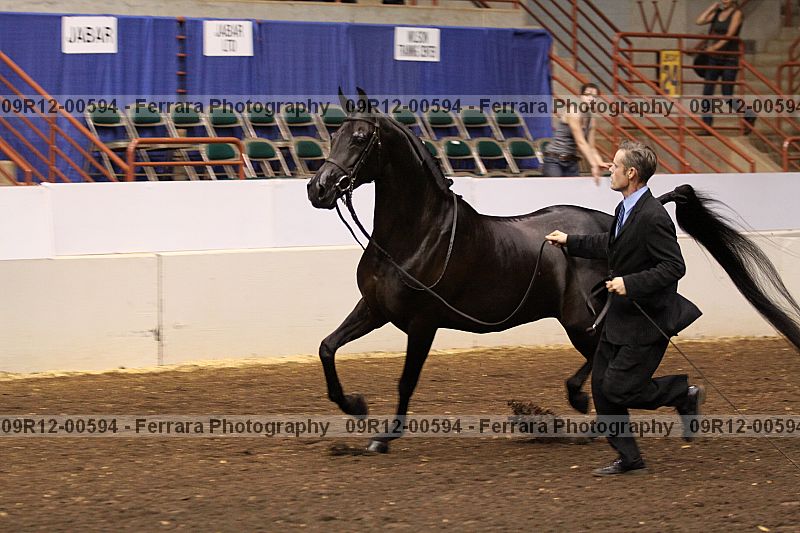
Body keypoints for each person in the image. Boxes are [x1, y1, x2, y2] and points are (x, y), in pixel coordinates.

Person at [545, 140, 705, 476]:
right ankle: (630, 458)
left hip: (647, 322)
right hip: (620, 317)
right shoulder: (625, 210)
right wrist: (570, 241)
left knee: (619, 389)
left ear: (631, 173)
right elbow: (610, 245)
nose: (610, 169)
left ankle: (682, 394)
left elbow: (674, 267)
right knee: (602, 390)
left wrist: (630, 283)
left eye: (615, 165)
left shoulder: (653, 217)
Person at [542, 83, 605, 183]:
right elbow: (580, 142)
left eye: (594, 96)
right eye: (587, 95)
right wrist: (593, 164)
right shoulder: (573, 112)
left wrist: (599, 162)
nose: (591, 98)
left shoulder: (591, 120)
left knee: (573, 191)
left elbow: (591, 147)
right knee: (557, 188)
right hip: (554, 160)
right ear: (581, 96)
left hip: (571, 161)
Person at [695, 0, 744, 128]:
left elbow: (729, 35)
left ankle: (748, 114)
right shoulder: (717, 13)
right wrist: (712, 7)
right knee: (707, 92)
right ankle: (706, 124)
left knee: (727, 94)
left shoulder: (737, 13)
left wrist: (714, 47)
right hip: (714, 58)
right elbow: (699, 21)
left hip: (729, 58)